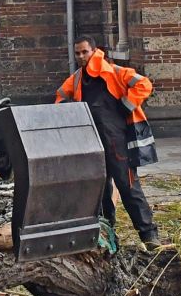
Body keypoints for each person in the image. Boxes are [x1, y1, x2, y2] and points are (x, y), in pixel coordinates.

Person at [56, 37, 160, 246]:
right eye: (77, 53)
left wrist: (127, 105)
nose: (81, 57)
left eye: (84, 52)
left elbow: (144, 84)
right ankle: (106, 234)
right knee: (99, 190)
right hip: (92, 143)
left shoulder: (114, 72)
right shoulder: (76, 79)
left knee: (128, 187)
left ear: (94, 51)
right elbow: (59, 97)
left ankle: (149, 236)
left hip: (117, 142)